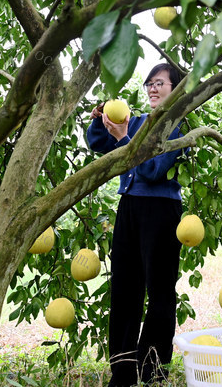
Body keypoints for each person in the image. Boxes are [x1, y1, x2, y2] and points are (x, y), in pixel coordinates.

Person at [86, 63, 188, 387]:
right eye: (149, 84)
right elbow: (98, 143)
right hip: (129, 207)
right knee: (125, 287)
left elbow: (153, 170)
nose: (153, 89)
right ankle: (123, 371)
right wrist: (102, 122)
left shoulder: (175, 126)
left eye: (160, 83)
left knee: (159, 291)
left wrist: (125, 138)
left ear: (177, 89)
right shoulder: (140, 121)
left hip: (160, 210)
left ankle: (154, 369)